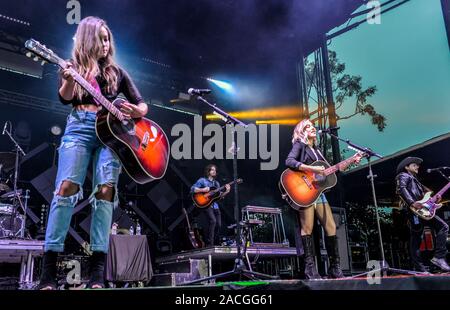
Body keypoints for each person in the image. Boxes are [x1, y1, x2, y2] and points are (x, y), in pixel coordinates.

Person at [38, 16, 148, 289]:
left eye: (108, 38)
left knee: (105, 194)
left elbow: (142, 106)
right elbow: (65, 97)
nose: (106, 44)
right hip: (80, 128)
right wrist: (67, 80)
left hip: (111, 136)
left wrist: (136, 111)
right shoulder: (73, 67)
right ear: (88, 39)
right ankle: (48, 271)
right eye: (101, 38)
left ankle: (97, 273)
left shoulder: (118, 73)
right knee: (65, 188)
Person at [285, 119, 362, 279]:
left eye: (313, 126)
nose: (312, 128)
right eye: (308, 127)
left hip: (319, 193)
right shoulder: (300, 145)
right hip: (304, 191)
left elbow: (331, 171)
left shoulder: (318, 151)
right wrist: (312, 168)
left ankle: (335, 268)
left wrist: (352, 161)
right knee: (307, 228)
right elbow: (290, 161)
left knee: (331, 226)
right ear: (301, 131)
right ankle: (310, 269)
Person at [396, 156, 450, 272]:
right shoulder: (403, 176)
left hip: (424, 210)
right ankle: (419, 267)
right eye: (414, 164)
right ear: (406, 167)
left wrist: (436, 199)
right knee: (417, 237)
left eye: (418, 165)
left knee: (443, 227)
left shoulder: (416, 181)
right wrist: (412, 203)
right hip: (414, 211)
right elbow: (401, 189)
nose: (417, 166)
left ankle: (439, 257)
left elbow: (425, 198)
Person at [191, 164, 230, 247]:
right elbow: (192, 189)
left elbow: (219, 198)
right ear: (208, 171)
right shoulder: (202, 180)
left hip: (215, 206)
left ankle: (212, 241)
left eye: (215, 170)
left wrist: (226, 192)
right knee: (213, 221)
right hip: (207, 205)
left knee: (219, 225)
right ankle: (210, 244)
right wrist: (203, 189)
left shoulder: (217, 184)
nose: (214, 171)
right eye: (212, 170)